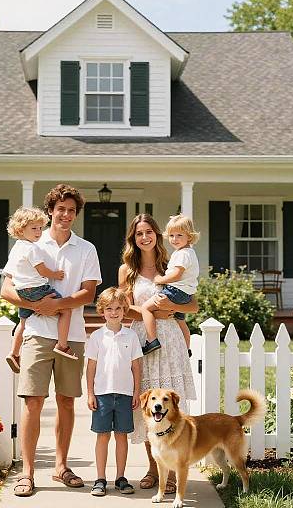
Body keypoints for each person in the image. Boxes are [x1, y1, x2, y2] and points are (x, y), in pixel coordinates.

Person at [0, 184, 101, 497]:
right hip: (35, 335)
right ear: (50, 211)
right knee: (33, 401)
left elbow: (89, 293)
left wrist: (56, 305)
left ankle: (61, 466)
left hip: (71, 336)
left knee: (66, 401)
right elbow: (6, 290)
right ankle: (27, 473)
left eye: (71, 210)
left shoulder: (86, 249)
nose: (66, 215)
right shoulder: (30, 241)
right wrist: (35, 306)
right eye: (61, 210)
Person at [118, 213, 197, 494]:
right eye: (139, 233)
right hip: (143, 339)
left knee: (172, 407)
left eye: (149, 232)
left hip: (171, 339)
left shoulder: (172, 264)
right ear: (133, 239)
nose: (144, 237)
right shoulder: (127, 270)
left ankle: (175, 471)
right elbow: (125, 309)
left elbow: (193, 306)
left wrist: (166, 312)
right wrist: (156, 311)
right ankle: (154, 469)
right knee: (151, 408)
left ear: (157, 235)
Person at [3, 206, 75, 374]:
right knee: (66, 310)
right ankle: (62, 345)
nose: (38, 232)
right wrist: (55, 275)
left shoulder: (16, 247)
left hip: (21, 290)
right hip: (37, 289)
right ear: (21, 229)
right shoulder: (32, 248)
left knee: (23, 323)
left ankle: (14, 353)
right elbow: (42, 270)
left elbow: (12, 272)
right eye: (34, 228)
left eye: (40, 228)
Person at [86, 287, 143, 497]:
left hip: (125, 394)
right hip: (102, 394)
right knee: (102, 436)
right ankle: (100, 479)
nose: (113, 312)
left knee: (121, 437)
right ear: (102, 310)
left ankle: (120, 477)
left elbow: (136, 366)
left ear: (124, 310)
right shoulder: (97, 337)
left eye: (118, 308)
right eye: (109, 308)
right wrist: (90, 393)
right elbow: (90, 367)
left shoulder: (131, 335)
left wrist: (137, 392)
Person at [140, 214, 200, 356]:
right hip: (185, 294)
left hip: (175, 291)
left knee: (146, 308)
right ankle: (187, 349)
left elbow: (176, 275)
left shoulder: (182, 254)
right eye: (172, 235)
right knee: (180, 320)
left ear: (189, 237)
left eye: (179, 235)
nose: (175, 239)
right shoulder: (188, 253)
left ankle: (152, 340)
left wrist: (161, 280)